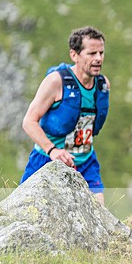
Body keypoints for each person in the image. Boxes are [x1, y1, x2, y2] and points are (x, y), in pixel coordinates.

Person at [20, 26, 110, 206]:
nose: (98, 58)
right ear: (74, 55)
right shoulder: (56, 82)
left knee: (98, 214)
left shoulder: (103, 85)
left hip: (85, 163)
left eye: (101, 52)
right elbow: (29, 121)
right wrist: (53, 150)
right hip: (46, 161)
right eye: (92, 53)